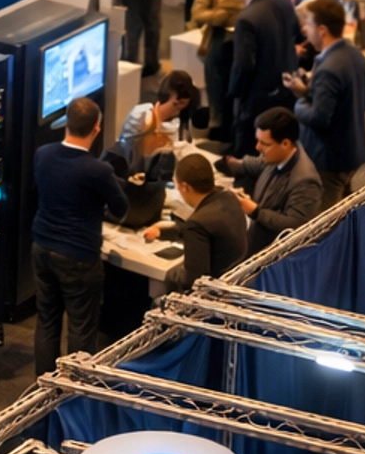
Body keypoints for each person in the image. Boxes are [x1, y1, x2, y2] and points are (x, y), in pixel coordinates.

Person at [31, 97, 129, 375]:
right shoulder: (98, 170)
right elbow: (121, 208)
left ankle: (43, 390)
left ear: (66, 122)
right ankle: (74, 391)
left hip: (41, 246)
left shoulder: (43, 154)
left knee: (47, 322)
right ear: (96, 129)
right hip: (78, 256)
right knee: (81, 327)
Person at [288, 0, 365, 205]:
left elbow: (319, 119)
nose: (304, 30)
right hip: (351, 154)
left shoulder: (329, 68)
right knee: (345, 216)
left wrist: (299, 103)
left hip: (327, 161)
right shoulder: (354, 54)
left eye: (308, 24)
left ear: (322, 29)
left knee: (324, 224)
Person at [230, 0, 301, 157]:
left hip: (257, 102)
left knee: (250, 159)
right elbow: (297, 36)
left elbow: (244, 65)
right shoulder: (283, 2)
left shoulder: (246, 18)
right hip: (287, 96)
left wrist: (235, 94)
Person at [226, 108, 323, 252]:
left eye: (264, 144)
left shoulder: (306, 182)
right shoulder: (278, 155)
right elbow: (260, 165)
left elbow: (296, 224)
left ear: (285, 143)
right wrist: (233, 164)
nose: (257, 147)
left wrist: (255, 211)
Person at [145, 151, 246, 289]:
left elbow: (192, 281)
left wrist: (172, 275)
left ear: (185, 187)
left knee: (166, 276)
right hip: (238, 280)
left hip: (214, 294)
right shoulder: (228, 197)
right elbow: (204, 231)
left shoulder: (197, 224)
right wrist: (162, 233)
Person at [190, 0, 246, 143]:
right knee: (217, 96)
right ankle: (218, 130)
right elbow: (198, 13)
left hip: (242, 45)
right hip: (218, 42)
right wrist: (222, 15)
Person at [115, 69, 196, 166]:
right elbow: (128, 151)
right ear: (172, 95)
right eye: (177, 104)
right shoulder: (140, 115)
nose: (178, 108)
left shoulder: (181, 122)